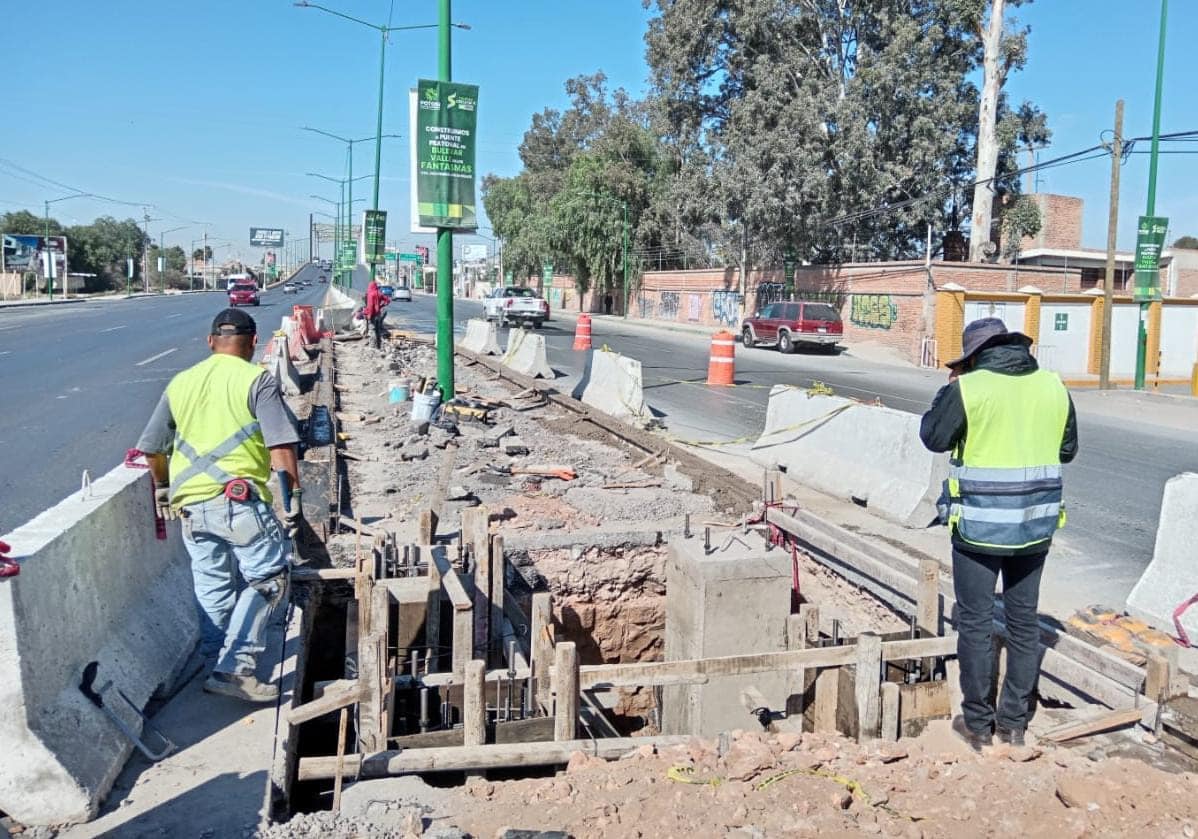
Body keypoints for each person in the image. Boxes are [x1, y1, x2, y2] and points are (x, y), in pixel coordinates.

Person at [919, 317, 1078, 750]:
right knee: (1024, 623)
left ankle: (978, 725)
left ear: (973, 358)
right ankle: (1014, 724)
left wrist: (949, 391)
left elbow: (934, 437)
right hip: (1034, 526)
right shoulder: (1053, 386)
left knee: (974, 622)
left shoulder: (968, 389)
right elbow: (1067, 450)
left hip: (980, 528)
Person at [136, 308, 303, 703]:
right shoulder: (255, 379)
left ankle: (216, 663)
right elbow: (280, 445)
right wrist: (291, 499)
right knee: (270, 577)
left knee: (212, 585)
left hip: (190, 506)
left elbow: (152, 450)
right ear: (252, 344)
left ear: (211, 343)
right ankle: (235, 667)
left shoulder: (181, 382)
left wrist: (162, 487)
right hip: (238, 501)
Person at [365, 276, 390, 350]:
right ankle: (378, 346)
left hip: (372, 315)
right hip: (378, 314)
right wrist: (381, 305)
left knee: (372, 330)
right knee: (378, 330)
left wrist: (369, 315)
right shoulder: (379, 293)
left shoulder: (370, 294)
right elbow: (387, 300)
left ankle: (372, 346)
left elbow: (370, 306)